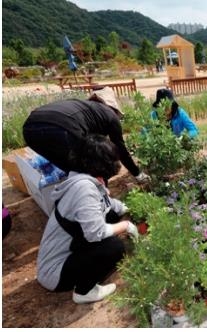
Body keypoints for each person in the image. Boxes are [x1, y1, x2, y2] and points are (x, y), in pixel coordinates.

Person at [36, 134, 139, 304]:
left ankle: (90, 270)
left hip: (70, 252)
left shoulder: (82, 178)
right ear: (102, 163)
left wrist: (132, 207)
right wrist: (126, 225)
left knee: (112, 215)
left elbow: (107, 204)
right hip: (56, 272)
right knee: (114, 247)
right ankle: (84, 291)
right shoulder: (84, 188)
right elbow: (95, 232)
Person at [22, 86, 150, 183]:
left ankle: (74, 197)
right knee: (92, 167)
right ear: (113, 107)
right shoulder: (110, 116)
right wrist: (137, 173)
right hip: (62, 128)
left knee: (72, 170)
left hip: (29, 131)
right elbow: (120, 150)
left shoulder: (87, 109)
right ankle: (101, 201)